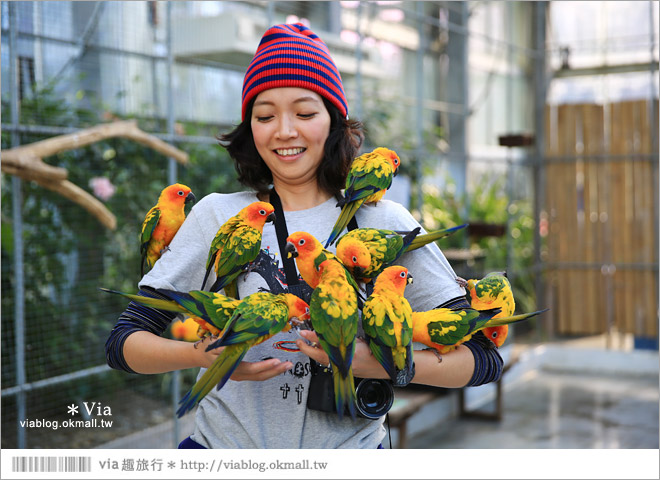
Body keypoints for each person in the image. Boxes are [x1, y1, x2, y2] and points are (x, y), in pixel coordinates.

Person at [105, 23, 502, 449]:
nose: (284, 131)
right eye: (264, 115)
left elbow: (482, 357)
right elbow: (124, 343)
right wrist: (206, 356)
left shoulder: (383, 222)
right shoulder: (217, 216)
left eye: (305, 112)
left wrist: (382, 365)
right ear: (249, 128)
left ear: (334, 121)